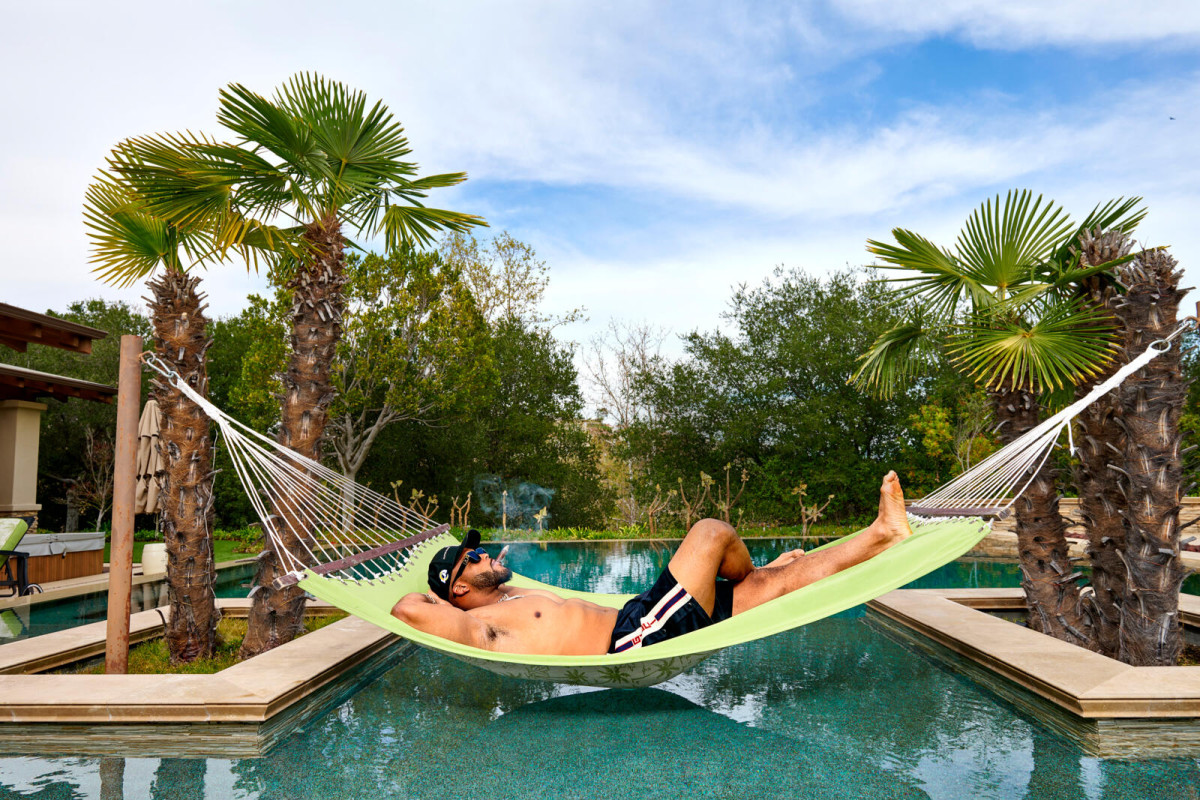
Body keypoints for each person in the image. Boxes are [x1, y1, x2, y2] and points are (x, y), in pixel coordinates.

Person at [391, 471, 914, 656]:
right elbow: (408, 609)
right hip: (632, 640)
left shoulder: (509, 594)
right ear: (457, 590)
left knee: (780, 583)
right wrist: (447, 596)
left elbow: (489, 578)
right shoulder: (479, 626)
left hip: (641, 618)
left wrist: (494, 576)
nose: (484, 553)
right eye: (471, 559)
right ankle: (751, 571)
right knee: (710, 532)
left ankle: (883, 532)